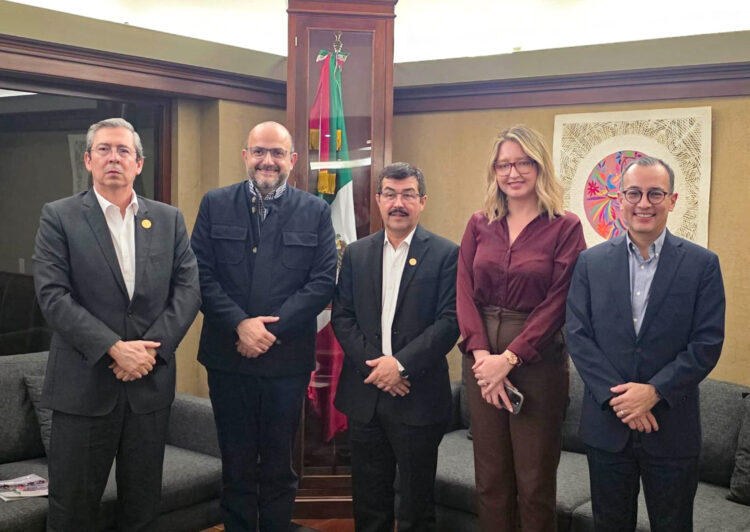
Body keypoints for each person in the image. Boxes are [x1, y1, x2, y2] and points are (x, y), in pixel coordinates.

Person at [33, 117, 201, 531]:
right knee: (72, 511)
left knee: (142, 509)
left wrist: (149, 351)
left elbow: (188, 290)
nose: (114, 158)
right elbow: (53, 296)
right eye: (104, 149)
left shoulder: (168, 219)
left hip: (148, 386)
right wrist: (114, 348)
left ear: (138, 163)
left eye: (123, 150)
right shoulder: (59, 216)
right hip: (83, 390)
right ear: (88, 160)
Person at [190, 121, 337, 531]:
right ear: (245, 155)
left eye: (276, 153)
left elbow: (322, 282)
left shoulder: (315, 211)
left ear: (292, 160)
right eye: (259, 151)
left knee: (278, 463)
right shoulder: (215, 204)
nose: (267, 160)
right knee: (235, 461)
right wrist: (240, 324)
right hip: (227, 358)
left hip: (286, 362)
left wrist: (267, 331)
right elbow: (198, 274)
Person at [566, 156, 725, 531]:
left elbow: (706, 343)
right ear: (620, 199)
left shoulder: (702, 264)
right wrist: (621, 400)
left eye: (655, 193)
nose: (644, 203)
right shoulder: (590, 262)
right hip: (607, 427)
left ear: (672, 200)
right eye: (634, 193)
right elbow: (577, 334)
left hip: (671, 427)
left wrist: (654, 392)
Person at [456, 125, 586, 531]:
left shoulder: (565, 226)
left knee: (534, 484)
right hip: (481, 364)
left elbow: (560, 301)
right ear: (494, 171)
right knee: (490, 481)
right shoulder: (479, 223)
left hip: (537, 366)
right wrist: (483, 360)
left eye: (523, 163)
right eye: (503, 165)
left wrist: (508, 360)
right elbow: (463, 291)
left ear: (539, 166)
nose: (512, 173)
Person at [332, 162, 459, 532]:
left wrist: (399, 365)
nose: (398, 203)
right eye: (390, 194)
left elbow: (449, 322)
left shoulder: (446, 254)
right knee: (369, 503)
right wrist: (378, 368)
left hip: (417, 395)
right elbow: (343, 317)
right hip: (366, 394)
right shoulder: (356, 253)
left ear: (422, 201)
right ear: (378, 199)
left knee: (417, 506)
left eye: (407, 195)